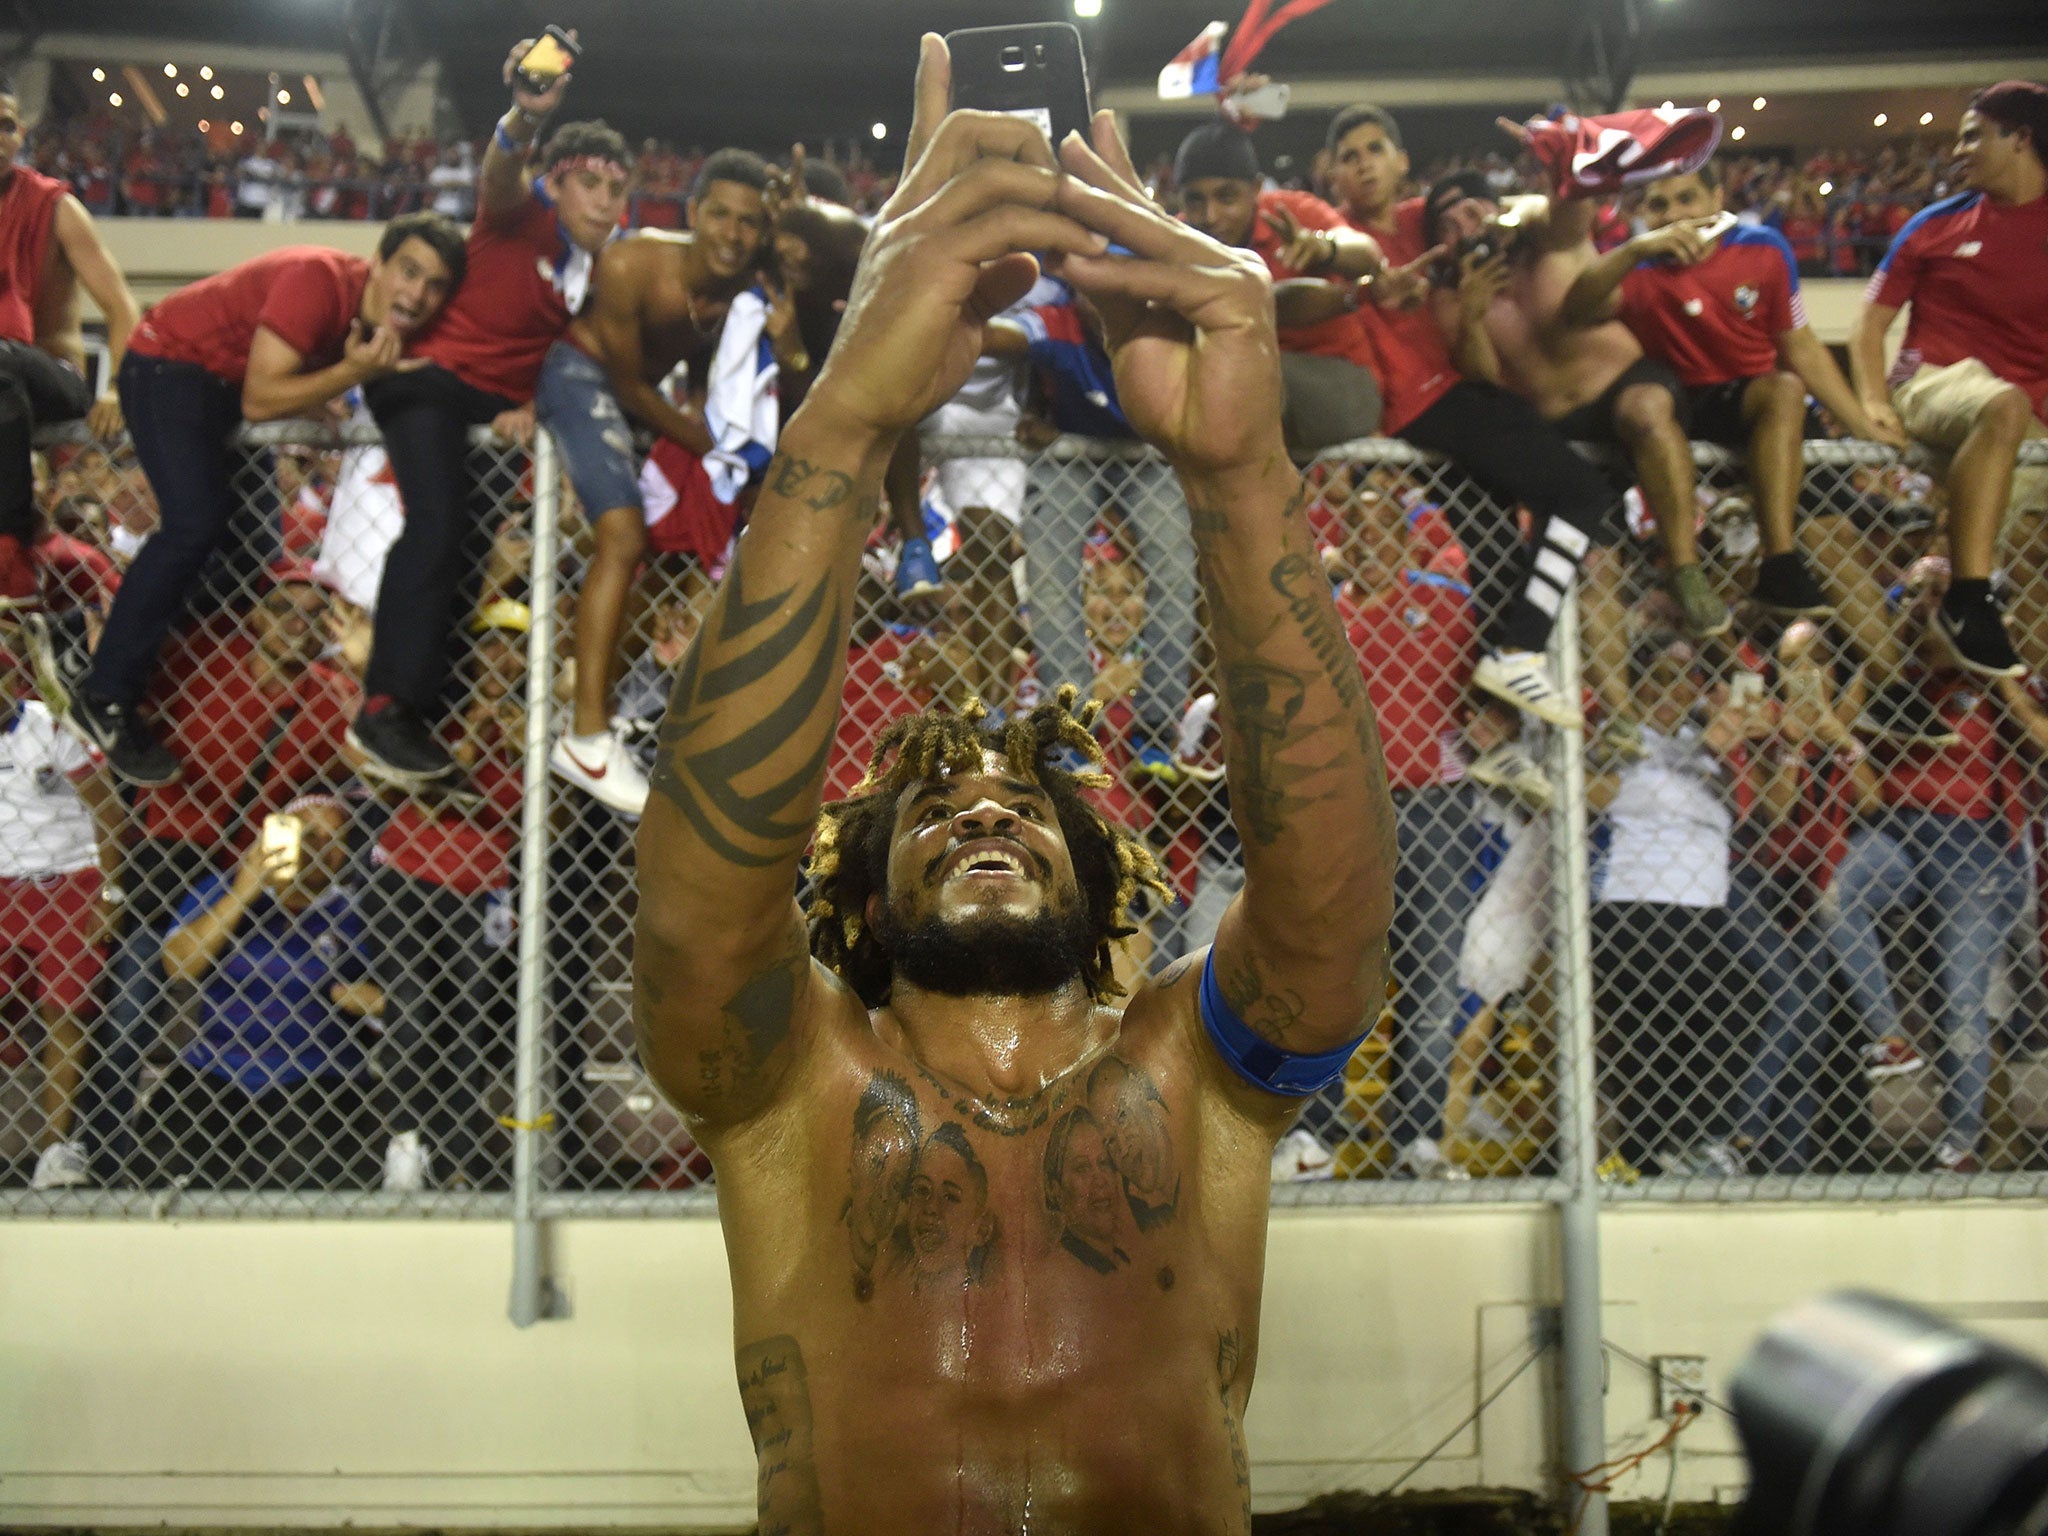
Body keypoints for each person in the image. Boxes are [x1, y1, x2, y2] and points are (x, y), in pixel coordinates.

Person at [632, 38, 1394, 1533]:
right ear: (855, 889)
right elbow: (699, 913)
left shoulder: (1198, 1078)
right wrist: (846, 418)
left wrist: (1242, 482)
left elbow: (1329, 926)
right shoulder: (787, 1083)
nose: (985, 807)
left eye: (1026, 805)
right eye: (932, 809)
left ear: (1102, 874)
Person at [59, 216, 465, 786]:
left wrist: (319, 397)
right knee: (193, 525)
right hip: (168, 365)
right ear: (378, 262)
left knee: (257, 562)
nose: (416, 294)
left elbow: (267, 390)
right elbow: (260, 398)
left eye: (434, 285)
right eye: (409, 272)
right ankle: (105, 693)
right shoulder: (319, 281)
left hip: (219, 388)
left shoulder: (379, 323)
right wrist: (348, 373)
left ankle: (114, 651)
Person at [1264, 104, 1635, 729]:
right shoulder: (1341, 239)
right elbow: (1331, 260)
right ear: (1333, 177)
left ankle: (1498, 729)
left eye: (1375, 149)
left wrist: (1559, 177)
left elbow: (1524, 220)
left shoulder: (1429, 219)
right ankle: (1521, 651)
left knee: (1495, 555)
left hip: (1457, 396)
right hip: (1428, 407)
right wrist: (1331, 260)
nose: (1364, 164)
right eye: (1350, 157)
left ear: (1401, 160)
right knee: (1581, 494)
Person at [349, 36, 629, 785]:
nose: (607, 201)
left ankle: (421, 716)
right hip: (427, 381)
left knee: (471, 551)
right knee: (437, 527)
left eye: (618, 189)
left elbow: (559, 350)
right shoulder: (519, 212)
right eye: (592, 185)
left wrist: (528, 400)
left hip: (485, 403)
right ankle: (380, 709)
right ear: (558, 184)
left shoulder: (597, 263)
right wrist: (524, 118)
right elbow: (503, 169)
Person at [1557, 160, 1902, 629]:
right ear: (1643, 214)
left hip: (1751, 404)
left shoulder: (1763, 249)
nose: (1675, 214)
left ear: (1717, 200)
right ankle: (1688, 572)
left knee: (1789, 399)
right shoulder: (1635, 267)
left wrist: (1862, 424)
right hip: (1679, 409)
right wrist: (1635, 249)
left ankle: (1780, 564)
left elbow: (1799, 345)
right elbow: (1575, 309)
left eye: (1686, 199)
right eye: (1658, 205)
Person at [537, 148, 772, 814]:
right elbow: (630, 383)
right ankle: (586, 736)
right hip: (583, 376)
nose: (731, 233)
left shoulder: (744, 291)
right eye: (719, 214)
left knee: (682, 537)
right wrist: (702, 438)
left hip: (647, 399)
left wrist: (713, 431)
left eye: (748, 222)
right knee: (622, 534)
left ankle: (614, 703)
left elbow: (706, 376)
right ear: (692, 213)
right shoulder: (634, 262)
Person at [1825, 556, 2044, 1172]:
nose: (1921, 605)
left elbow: (2036, 739)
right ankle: (1889, 1038)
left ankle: (1960, 1144)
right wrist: (1879, 661)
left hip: (1973, 842)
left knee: (1959, 999)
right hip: (1897, 830)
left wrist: (1991, 669)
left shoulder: (1997, 672)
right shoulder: (1894, 676)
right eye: (1910, 593)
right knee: (1839, 895)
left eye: (1936, 593)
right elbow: (1836, 733)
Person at [1849, 82, 2048, 679]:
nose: (1957, 150)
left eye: (1971, 135)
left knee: (2028, 540)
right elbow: (1866, 327)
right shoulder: (1934, 224)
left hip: (2026, 422)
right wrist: (1871, 402)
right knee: (2002, 405)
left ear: (2019, 138)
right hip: (1930, 384)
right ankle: (1967, 597)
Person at [363, 601, 529, 1192]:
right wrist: (473, 737)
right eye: (489, 644)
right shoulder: (436, 708)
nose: (499, 657)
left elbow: (548, 820)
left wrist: (525, 752)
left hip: (481, 886)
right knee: (413, 1000)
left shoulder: (536, 722)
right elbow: (427, 793)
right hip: (408, 872)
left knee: (467, 1016)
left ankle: (454, 1149)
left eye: (512, 647)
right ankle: (405, 1142)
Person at [140, 795, 383, 1189]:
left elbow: (395, 996)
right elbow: (180, 967)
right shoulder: (221, 887)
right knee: (170, 1160)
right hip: (214, 1065)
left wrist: (367, 1001)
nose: (321, 848)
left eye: (336, 838)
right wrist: (242, 895)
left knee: (301, 1172)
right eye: (308, 834)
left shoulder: (360, 909)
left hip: (317, 1071)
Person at [0, 75, 140, 610]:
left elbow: (123, 309)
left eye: (6, 125)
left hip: (54, 376)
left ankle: (10, 552)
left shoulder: (54, 206)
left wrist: (116, 391)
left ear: (21, 133)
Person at [0, 640, 123, 1188]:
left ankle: (56, 1146)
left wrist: (112, 892)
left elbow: (110, 810)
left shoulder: (52, 727)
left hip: (71, 880)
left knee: (64, 1014)